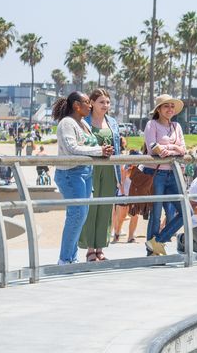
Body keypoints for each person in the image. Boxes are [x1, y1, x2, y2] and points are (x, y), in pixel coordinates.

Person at [53, 92, 114, 265]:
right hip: (71, 174)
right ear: (76, 105)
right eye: (87, 102)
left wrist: (103, 149)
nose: (90, 106)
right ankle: (65, 259)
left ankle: (71, 257)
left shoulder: (82, 124)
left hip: (85, 173)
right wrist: (99, 151)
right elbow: (72, 148)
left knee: (81, 215)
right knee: (76, 214)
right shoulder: (67, 123)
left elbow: (89, 145)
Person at [79, 88, 122, 262]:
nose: (105, 105)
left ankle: (100, 248)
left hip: (110, 169)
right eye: (101, 102)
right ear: (92, 103)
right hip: (90, 169)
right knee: (91, 207)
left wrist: (120, 175)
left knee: (105, 207)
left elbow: (118, 147)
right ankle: (90, 248)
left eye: (107, 102)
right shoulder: (83, 122)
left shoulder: (112, 122)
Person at [144, 94, 187, 256]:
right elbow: (153, 148)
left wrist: (169, 149)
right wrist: (173, 148)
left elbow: (183, 149)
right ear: (159, 109)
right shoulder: (152, 124)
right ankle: (152, 251)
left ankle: (158, 241)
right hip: (156, 173)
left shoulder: (177, 126)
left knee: (186, 211)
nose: (169, 109)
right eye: (166, 106)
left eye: (172, 106)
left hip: (173, 173)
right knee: (155, 213)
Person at [113, 150, 142, 244]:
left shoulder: (140, 167)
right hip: (123, 193)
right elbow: (121, 183)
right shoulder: (125, 167)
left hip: (134, 194)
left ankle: (131, 237)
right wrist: (124, 196)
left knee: (135, 216)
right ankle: (117, 234)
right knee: (121, 217)